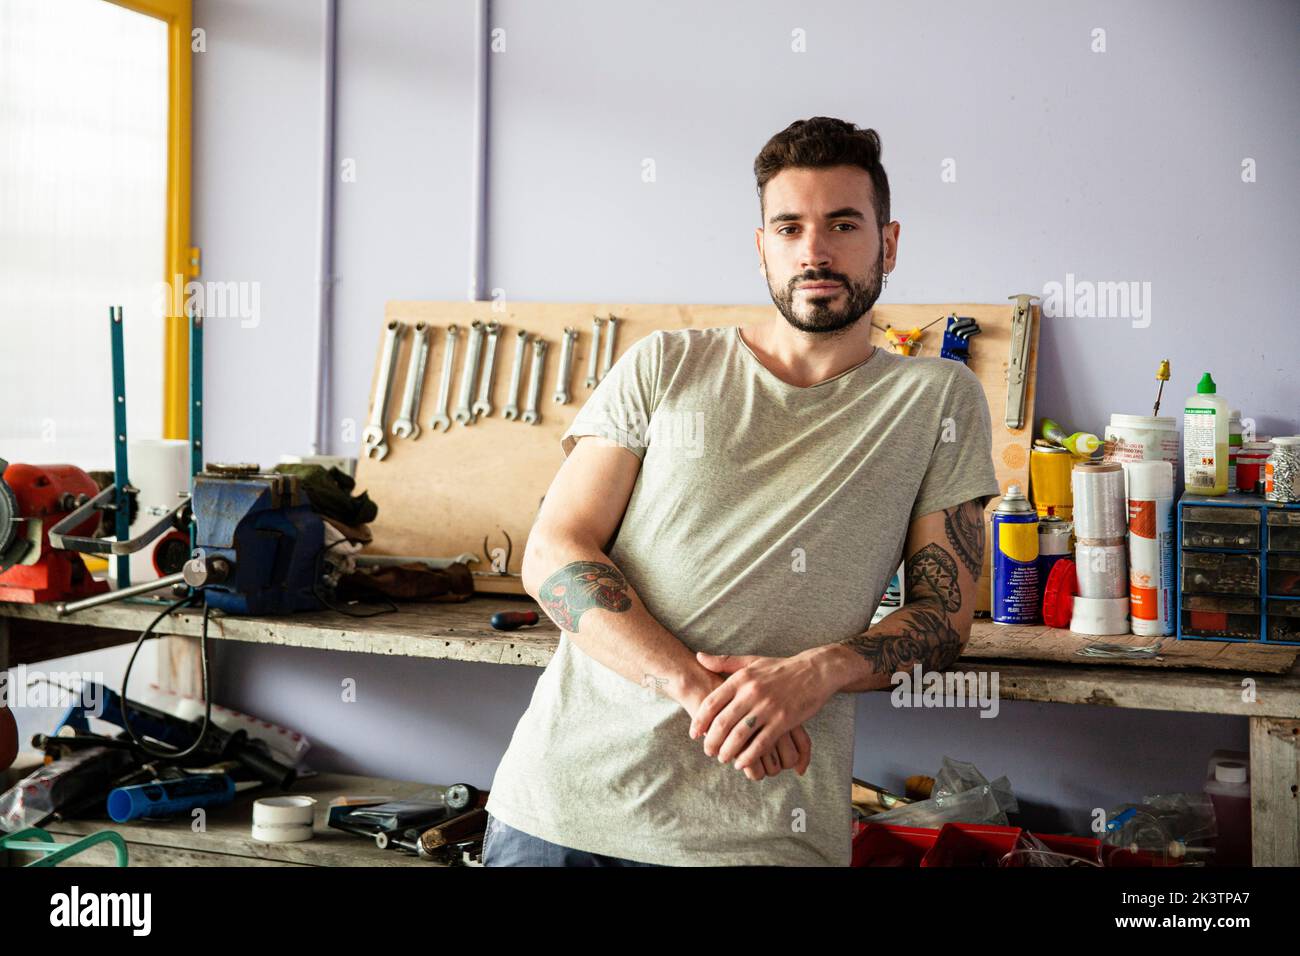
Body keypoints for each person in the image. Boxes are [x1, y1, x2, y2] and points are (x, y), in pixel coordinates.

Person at [482, 117, 1000, 867]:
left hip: (764, 838)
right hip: (562, 816)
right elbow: (554, 551)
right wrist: (699, 690)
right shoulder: (668, 363)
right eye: (789, 227)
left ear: (888, 244)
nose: (814, 251)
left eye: (842, 225)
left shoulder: (937, 398)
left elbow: (944, 617)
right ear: (762, 248)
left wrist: (814, 675)